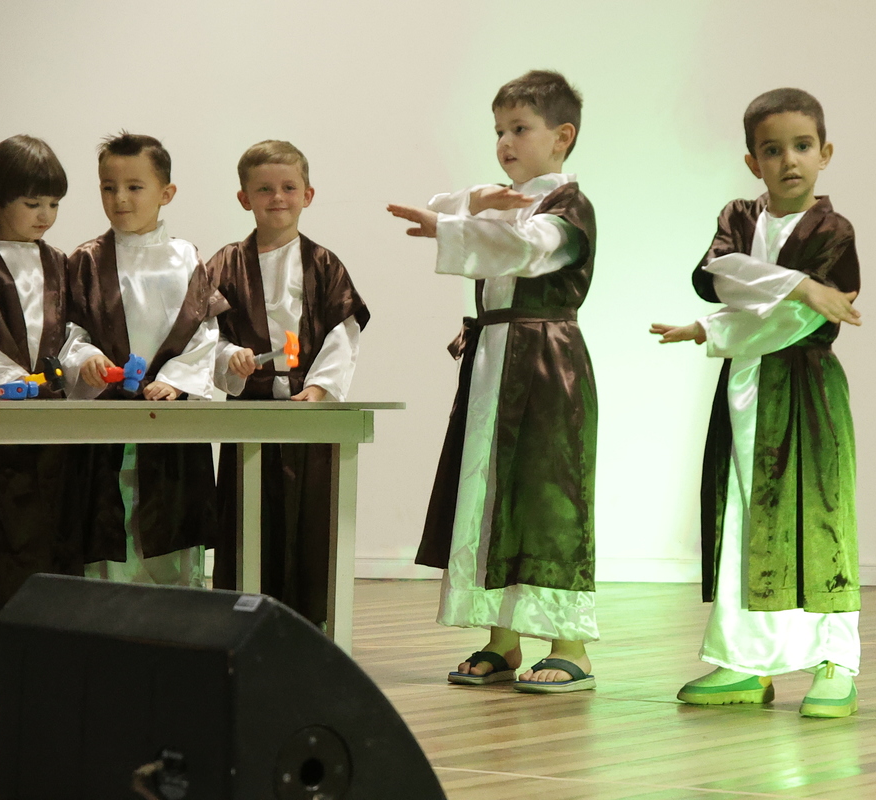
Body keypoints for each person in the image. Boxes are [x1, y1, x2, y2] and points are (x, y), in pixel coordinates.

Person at [651, 88, 863, 717]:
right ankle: (745, 660)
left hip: (806, 389)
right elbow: (720, 275)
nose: (788, 160)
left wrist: (713, 328)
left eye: (802, 146)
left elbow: (795, 325)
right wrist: (799, 285)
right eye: (772, 150)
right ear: (753, 161)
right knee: (744, 516)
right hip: (744, 388)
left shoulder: (834, 231)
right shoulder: (738, 217)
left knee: (820, 518)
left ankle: (835, 661)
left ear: (824, 153)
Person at [388, 70, 598, 692]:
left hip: (546, 362)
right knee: (488, 498)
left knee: (547, 499)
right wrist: (472, 205)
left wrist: (455, 225)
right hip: (494, 361)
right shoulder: (506, 199)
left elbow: (529, 248)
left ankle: (571, 645)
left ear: (562, 136)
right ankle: (502, 639)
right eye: (499, 130)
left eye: (520, 128)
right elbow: (452, 206)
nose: (506, 142)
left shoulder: (568, 207)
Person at [209, 140, 369, 627]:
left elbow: (342, 334)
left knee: (309, 518)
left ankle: (306, 623)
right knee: (248, 514)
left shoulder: (324, 264)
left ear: (308, 195)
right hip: (250, 410)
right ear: (244, 198)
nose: (277, 198)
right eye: (264, 189)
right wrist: (229, 358)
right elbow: (204, 334)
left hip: (307, 412)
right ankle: (242, 621)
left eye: (288, 188)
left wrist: (319, 388)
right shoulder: (225, 264)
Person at [67, 132, 221, 586]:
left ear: (165, 193)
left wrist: (176, 379)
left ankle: (176, 620)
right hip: (106, 418)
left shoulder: (186, 258)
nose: (120, 199)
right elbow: (69, 330)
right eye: (108, 187)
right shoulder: (86, 261)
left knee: (171, 527)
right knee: (109, 529)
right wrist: (86, 358)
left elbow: (204, 332)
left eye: (135, 187)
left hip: (169, 418)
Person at [0, 135, 89, 633]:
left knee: (51, 531)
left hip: (50, 426)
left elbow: (72, 334)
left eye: (54, 204)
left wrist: (83, 363)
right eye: (33, 203)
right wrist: (10, 381)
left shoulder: (58, 262)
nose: (46, 215)